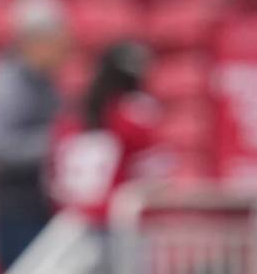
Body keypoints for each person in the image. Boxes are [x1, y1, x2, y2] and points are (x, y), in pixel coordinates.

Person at [0, 0, 71, 270]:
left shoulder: (45, 83)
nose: (64, 48)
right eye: (57, 40)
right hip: (13, 211)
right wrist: (53, 144)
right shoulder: (7, 84)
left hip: (38, 206)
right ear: (33, 41)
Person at [48, 41, 168, 226]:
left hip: (68, 219)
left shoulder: (72, 116)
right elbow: (155, 171)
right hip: (110, 221)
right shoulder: (131, 115)